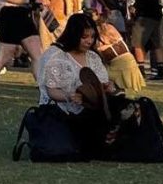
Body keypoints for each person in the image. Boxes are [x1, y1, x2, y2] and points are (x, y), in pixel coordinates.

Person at [36, 14, 124, 154]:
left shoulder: (93, 57)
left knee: (126, 106)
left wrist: (107, 87)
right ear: (73, 35)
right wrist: (70, 96)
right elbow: (51, 91)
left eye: (92, 37)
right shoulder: (55, 56)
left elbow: (100, 84)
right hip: (62, 111)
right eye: (84, 37)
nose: (89, 41)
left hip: (92, 107)